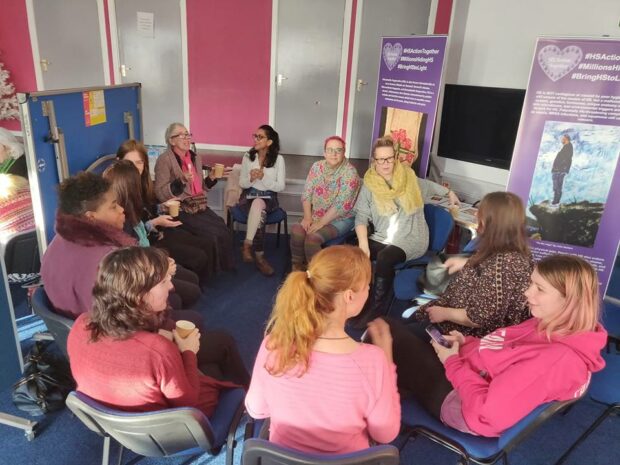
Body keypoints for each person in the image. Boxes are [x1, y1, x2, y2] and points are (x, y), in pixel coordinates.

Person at [387, 254, 607, 437]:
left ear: (569, 301)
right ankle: (392, 397)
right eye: (531, 283)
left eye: (539, 288)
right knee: (410, 338)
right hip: (471, 374)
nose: (527, 292)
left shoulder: (553, 361)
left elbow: (487, 412)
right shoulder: (554, 322)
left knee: (386, 332)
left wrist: (452, 362)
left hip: (464, 405)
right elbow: (505, 351)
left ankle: (378, 417)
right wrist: (466, 343)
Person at [245, 245, 400, 454]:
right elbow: (385, 434)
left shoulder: (274, 344)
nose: (369, 291)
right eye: (367, 286)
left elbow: (256, 409)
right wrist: (387, 362)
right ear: (349, 296)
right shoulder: (373, 361)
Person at [67, 247, 241, 417]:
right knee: (217, 359)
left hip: (115, 418)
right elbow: (186, 402)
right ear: (138, 296)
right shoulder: (159, 350)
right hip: (170, 425)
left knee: (213, 358)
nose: (171, 287)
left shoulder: (81, 323)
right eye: (164, 282)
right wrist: (189, 352)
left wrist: (158, 333)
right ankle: (245, 404)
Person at [352, 136, 459, 326]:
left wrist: (449, 192)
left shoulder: (409, 177)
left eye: (389, 158)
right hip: (384, 236)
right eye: (380, 159)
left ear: (395, 157)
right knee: (354, 252)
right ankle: (363, 300)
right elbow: (361, 216)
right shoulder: (369, 184)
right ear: (374, 161)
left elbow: (431, 186)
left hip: (412, 237)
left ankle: (377, 308)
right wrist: (362, 244)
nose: (385, 163)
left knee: (385, 258)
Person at [412, 192, 534, 337]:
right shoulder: (509, 251)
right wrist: (467, 262)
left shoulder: (505, 264)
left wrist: (444, 313)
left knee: (392, 333)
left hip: (462, 332)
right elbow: (491, 270)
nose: (476, 214)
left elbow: (478, 317)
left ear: (492, 222)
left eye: (481, 212)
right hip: (452, 315)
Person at [103, 160, 201, 307]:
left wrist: (156, 221)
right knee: (191, 291)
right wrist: (162, 267)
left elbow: (142, 230)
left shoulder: (131, 209)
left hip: (149, 257)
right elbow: (134, 263)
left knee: (192, 277)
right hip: (146, 270)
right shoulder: (121, 219)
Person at [116, 139, 219, 279]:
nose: (135, 168)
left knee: (207, 243)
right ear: (118, 162)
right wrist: (156, 223)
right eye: (130, 163)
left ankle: (205, 286)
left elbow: (147, 209)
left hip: (158, 230)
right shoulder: (119, 192)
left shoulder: (143, 184)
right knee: (198, 256)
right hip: (150, 240)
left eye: (139, 162)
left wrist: (161, 207)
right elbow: (134, 233)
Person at [154, 123, 233, 272]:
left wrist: (212, 177)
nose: (186, 138)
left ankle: (223, 267)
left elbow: (202, 188)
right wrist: (180, 181)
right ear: (171, 141)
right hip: (182, 208)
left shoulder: (195, 158)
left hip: (198, 204)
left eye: (188, 134)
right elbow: (160, 193)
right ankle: (212, 271)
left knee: (222, 226)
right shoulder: (164, 160)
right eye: (181, 135)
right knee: (213, 233)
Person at [290, 136, 361, 271]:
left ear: (344, 152)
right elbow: (307, 193)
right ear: (324, 152)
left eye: (338, 150)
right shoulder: (317, 167)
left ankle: (317, 275)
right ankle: (297, 269)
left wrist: (321, 223)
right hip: (317, 214)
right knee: (297, 231)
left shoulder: (350, 172)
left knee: (312, 238)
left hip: (341, 218)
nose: (333, 154)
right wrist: (307, 217)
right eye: (330, 150)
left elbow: (341, 205)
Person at [236, 125, 285, 276]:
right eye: (255, 136)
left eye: (260, 137)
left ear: (269, 142)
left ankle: (247, 244)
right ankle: (260, 257)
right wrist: (251, 178)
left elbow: (280, 186)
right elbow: (242, 184)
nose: (255, 139)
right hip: (249, 195)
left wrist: (264, 178)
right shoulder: (247, 156)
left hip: (269, 196)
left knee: (259, 206)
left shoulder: (278, 159)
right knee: (259, 213)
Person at [551, 134, 573, 206]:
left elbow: (567, 159)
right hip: (557, 170)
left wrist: (563, 169)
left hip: (559, 170)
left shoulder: (568, 147)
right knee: (556, 186)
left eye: (563, 139)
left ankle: (556, 201)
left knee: (557, 186)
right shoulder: (566, 147)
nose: (562, 140)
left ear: (566, 139)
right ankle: (556, 201)